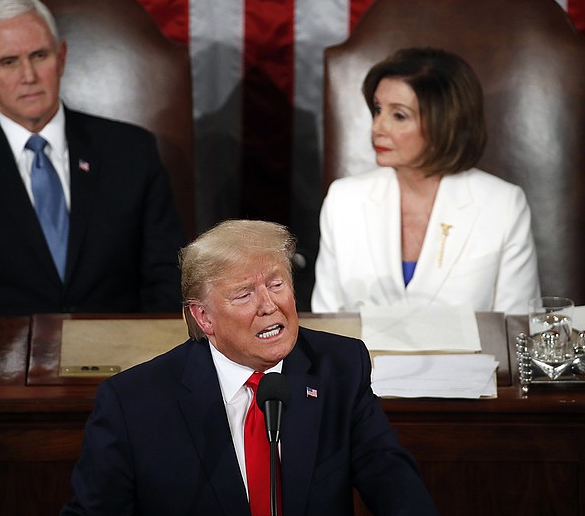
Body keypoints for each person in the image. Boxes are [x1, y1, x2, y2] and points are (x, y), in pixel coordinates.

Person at [61, 219, 437, 515]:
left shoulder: (339, 368)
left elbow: (392, 480)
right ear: (204, 317)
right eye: (244, 294)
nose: (269, 305)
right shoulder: (133, 403)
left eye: (277, 284)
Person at [0, 0, 185, 315]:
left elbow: (168, 282)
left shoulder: (131, 152)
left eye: (39, 55)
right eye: (8, 62)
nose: (28, 76)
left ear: (61, 57)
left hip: (122, 359)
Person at [312, 47, 540, 315]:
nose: (377, 128)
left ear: (445, 123)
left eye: (399, 115)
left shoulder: (502, 204)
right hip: (364, 358)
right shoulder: (344, 199)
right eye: (377, 109)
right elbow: (326, 321)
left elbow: (516, 328)